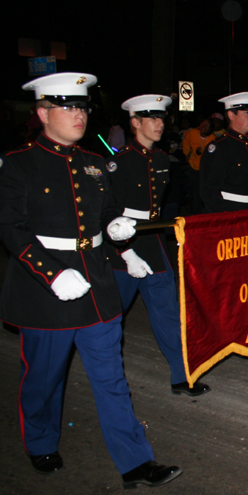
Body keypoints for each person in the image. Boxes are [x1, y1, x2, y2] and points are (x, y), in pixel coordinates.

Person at [0, 73, 181, 488]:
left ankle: (135, 462)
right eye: (68, 107)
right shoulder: (18, 163)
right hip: (45, 293)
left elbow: (104, 215)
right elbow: (11, 228)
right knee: (44, 380)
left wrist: (120, 235)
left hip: (97, 287)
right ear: (43, 113)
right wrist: (52, 274)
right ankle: (41, 442)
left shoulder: (94, 163)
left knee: (111, 379)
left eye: (82, 107)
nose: (79, 114)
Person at [109, 94, 210, 396]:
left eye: (162, 119)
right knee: (111, 317)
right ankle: (108, 377)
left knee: (168, 312)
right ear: (135, 123)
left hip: (153, 242)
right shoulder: (118, 163)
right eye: (151, 119)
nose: (159, 124)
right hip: (122, 245)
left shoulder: (164, 159)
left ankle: (182, 377)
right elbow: (108, 211)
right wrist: (125, 252)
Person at [200, 92, 248, 213]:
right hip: (231, 212)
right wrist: (225, 218)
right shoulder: (220, 147)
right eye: (247, 113)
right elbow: (209, 190)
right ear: (231, 114)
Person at [182, 117, 215, 214]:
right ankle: (196, 214)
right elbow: (186, 143)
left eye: (207, 125)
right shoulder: (192, 133)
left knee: (204, 193)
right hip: (193, 167)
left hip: (206, 170)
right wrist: (186, 154)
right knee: (195, 193)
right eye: (203, 124)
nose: (204, 127)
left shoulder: (213, 139)